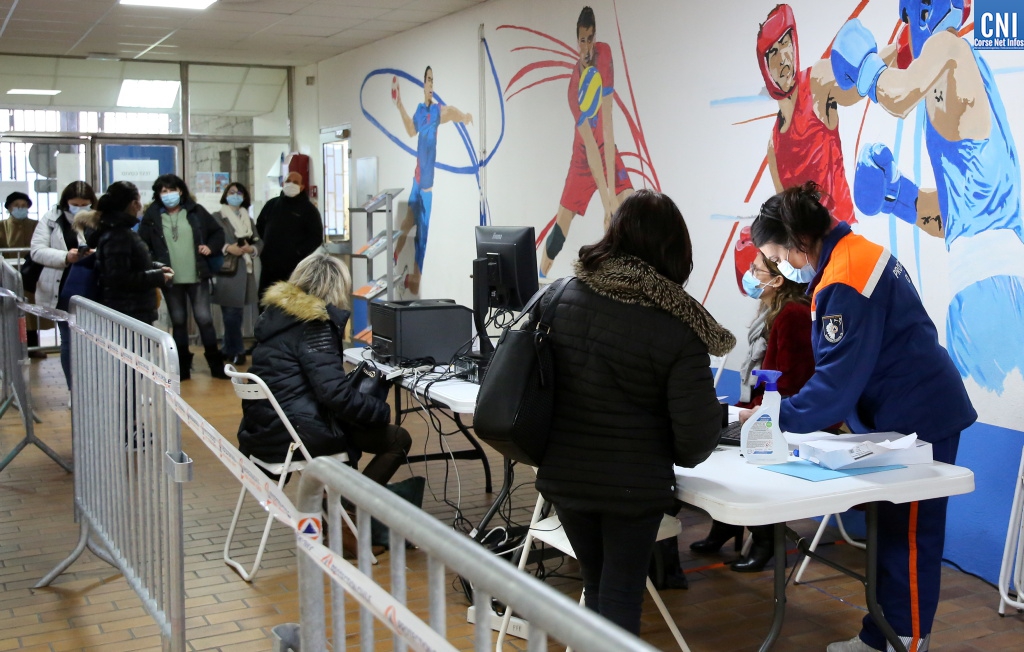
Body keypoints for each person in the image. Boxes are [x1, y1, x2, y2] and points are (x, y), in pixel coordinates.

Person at [745, 182, 977, 652]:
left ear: (798, 240)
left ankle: (905, 641)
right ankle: (881, 635)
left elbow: (833, 388)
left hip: (922, 416)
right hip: (900, 415)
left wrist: (773, 420)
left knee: (908, 536)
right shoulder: (849, 255)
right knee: (889, 533)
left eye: (777, 256)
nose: (781, 265)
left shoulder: (846, 277)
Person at [534, 189, 733, 635]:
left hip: (565, 476)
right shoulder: (679, 327)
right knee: (621, 594)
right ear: (675, 251)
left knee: (596, 584)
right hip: (632, 488)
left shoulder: (560, 296)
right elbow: (695, 438)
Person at [831, 1, 1024, 394]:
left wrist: (867, 67)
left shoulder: (947, 46)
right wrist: (897, 196)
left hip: (984, 286)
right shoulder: (966, 78)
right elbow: (956, 217)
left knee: (974, 415)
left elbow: (899, 96)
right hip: (1001, 276)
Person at [237, 252, 411, 489]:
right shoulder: (314, 326)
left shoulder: (277, 318)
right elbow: (335, 394)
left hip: (265, 429)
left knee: (355, 415)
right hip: (297, 434)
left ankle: (336, 501)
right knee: (398, 439)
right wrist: (380, 411)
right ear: (336, 288)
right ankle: (350, 505)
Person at [690, 252, 815, 572]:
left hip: (788, 411)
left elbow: (792, 379)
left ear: (778, 280)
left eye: (756, 270)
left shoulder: (792, 314)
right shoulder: (773, 311)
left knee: (739, 449)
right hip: (766, 405)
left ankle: (765, 537)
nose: (750, 274)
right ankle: (726, 524)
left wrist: (756, 413)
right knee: (718, 437)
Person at [539, 5, 633, 277]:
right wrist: (605, 201)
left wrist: (613, 198)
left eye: (591, 38)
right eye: (583, 40)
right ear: (577, 41)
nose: (588, 46)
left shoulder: (604, 55)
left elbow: (608, 122)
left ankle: (626, 280)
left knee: (630, 208)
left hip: (607, 149)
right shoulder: (574, 87)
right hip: (583, 158)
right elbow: (590, 147)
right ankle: (539, 278)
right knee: (560, 230)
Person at [392, 65, 473, 294]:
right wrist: (399, 105)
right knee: (406, 224)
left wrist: (464, 117)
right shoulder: (420, 111)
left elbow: (451, 111)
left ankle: (414, 283)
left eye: (433, 80)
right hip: (417, 181)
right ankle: (393, 257)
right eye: (428, 80)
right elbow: (411, 130)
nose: (431, 84)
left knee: (422, 240)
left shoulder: (437, 112)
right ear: (423, 84)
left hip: (427, 188)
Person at [139, 174, 226, 380]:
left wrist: (210, 247)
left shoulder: (195, 211)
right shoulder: (151, 216)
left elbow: (217, 232)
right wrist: (155, 264)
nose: (169, 194)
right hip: (170, 278)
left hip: (197, 275)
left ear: (181, 191)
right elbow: (143, 244)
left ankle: (216, 366)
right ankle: (182, 368)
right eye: (164, 191)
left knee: (204, 319)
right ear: (158, 194)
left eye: (172, 190)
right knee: (178, 321)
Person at [73, 181, 172, 324]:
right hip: (128, 313)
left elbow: (131, 264)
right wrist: (158, 276)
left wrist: (157, 267)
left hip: (131, 311)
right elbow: (119, 278)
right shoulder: (118, 235)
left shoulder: (119, 230)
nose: (140, 206)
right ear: (133, 204)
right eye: (138, 201)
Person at [31, 181, 98, 387]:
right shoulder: (52, 219)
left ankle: (94, 388)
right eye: (75, 204)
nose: (80, 208)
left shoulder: (99, 219)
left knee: (95, 342)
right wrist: (65, 256)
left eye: (85, 204)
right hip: (62, 289)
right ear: (65, 202)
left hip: (94, 288)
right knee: (69, 340)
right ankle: (74, 389)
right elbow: (37, 250)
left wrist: (94, 253)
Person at [210, 182, 261, 366]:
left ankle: (227, 348)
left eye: (239, 193)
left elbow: (258, 241)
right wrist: (227, 248)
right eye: (232, 192)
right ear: (225, 195)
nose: (235, 195)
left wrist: (252, 249)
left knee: (234, 313)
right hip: (227, 270)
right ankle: (237, 351)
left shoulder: (248, 219)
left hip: (245, 269)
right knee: (231, 313)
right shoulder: (217, 217)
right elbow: (210, 240)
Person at [255, 170, 323, 303]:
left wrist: (297, 252)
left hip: (293, 268)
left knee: (289, 304)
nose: (291, 184)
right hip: (269, 267)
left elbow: (316, 237)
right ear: (283, 183)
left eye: (295, 182)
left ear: (302, 187)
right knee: (265, 301)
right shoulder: (271, 205)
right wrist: (263, 249)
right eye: (288, 181)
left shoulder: (309, 210)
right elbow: (259, 228)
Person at [1, 191, 44, 356]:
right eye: (17, 206)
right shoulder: (2, 226)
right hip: (7, 275)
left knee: (30, 313)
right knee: (10, 312)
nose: (21, 209)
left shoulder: (36, 225)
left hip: (31, 275)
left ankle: (32, 347)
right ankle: (11, 350)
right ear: (9, 208)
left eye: (24, 206)